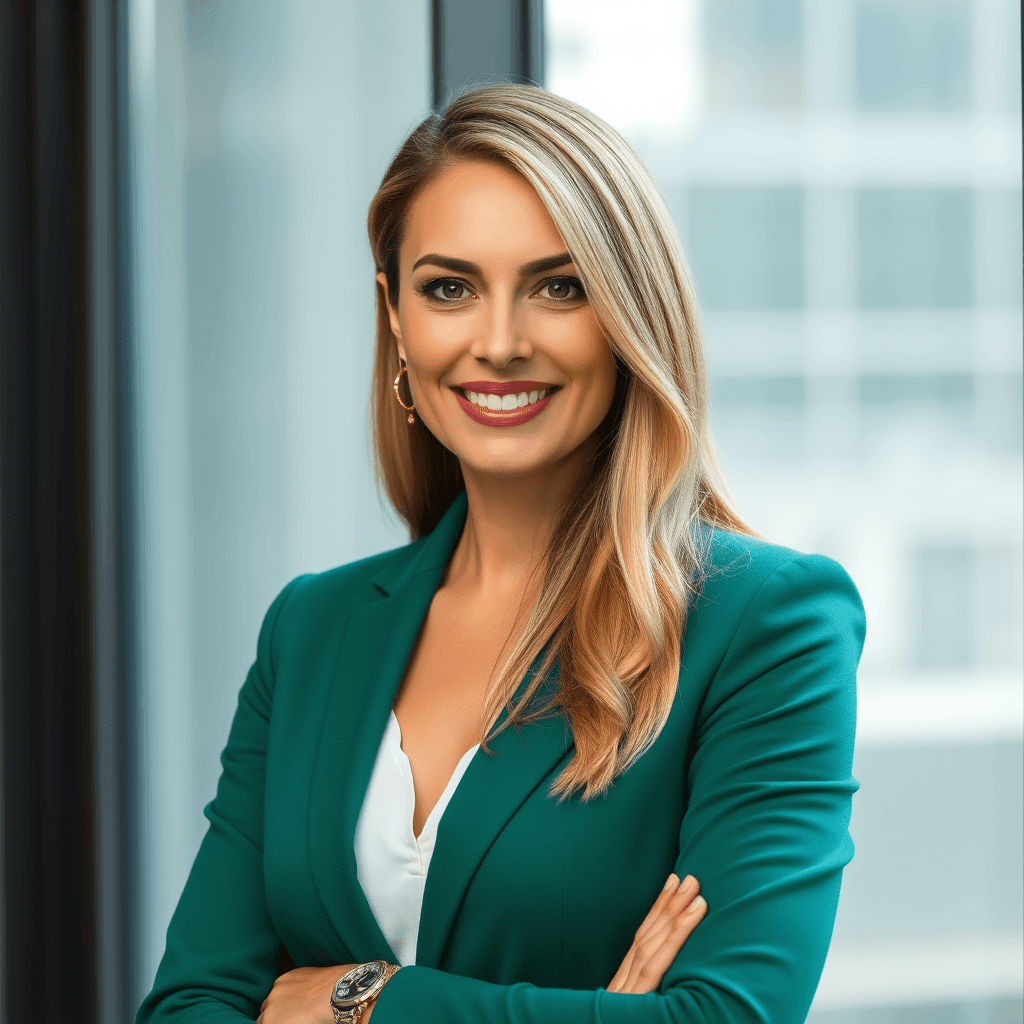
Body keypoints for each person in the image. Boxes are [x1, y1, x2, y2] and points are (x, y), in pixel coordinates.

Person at [136, 84, 864, 1024]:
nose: (500, 342)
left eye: (559, 287)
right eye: (449, 289)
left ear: (628, 314)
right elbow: (189, 1003)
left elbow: (726, 1018)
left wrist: (365, 1001)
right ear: (396, 316)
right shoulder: (311, 629)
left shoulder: (766, 622)